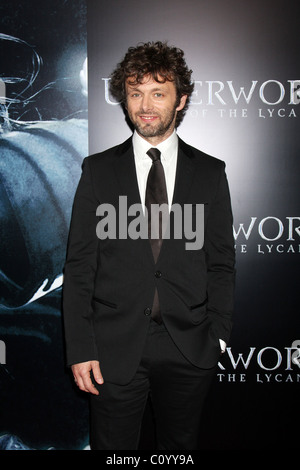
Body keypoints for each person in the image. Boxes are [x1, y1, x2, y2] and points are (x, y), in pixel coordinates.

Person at [63, 41, 235, 450]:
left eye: (158, 92)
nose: (145, 105)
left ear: (181, 100)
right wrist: (80, 347)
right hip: (111, 349)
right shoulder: (99, 170)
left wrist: (219, 336)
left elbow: (221, 263)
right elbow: (80, 265)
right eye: (135, 92)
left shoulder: (210, 173)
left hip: (189, 347)